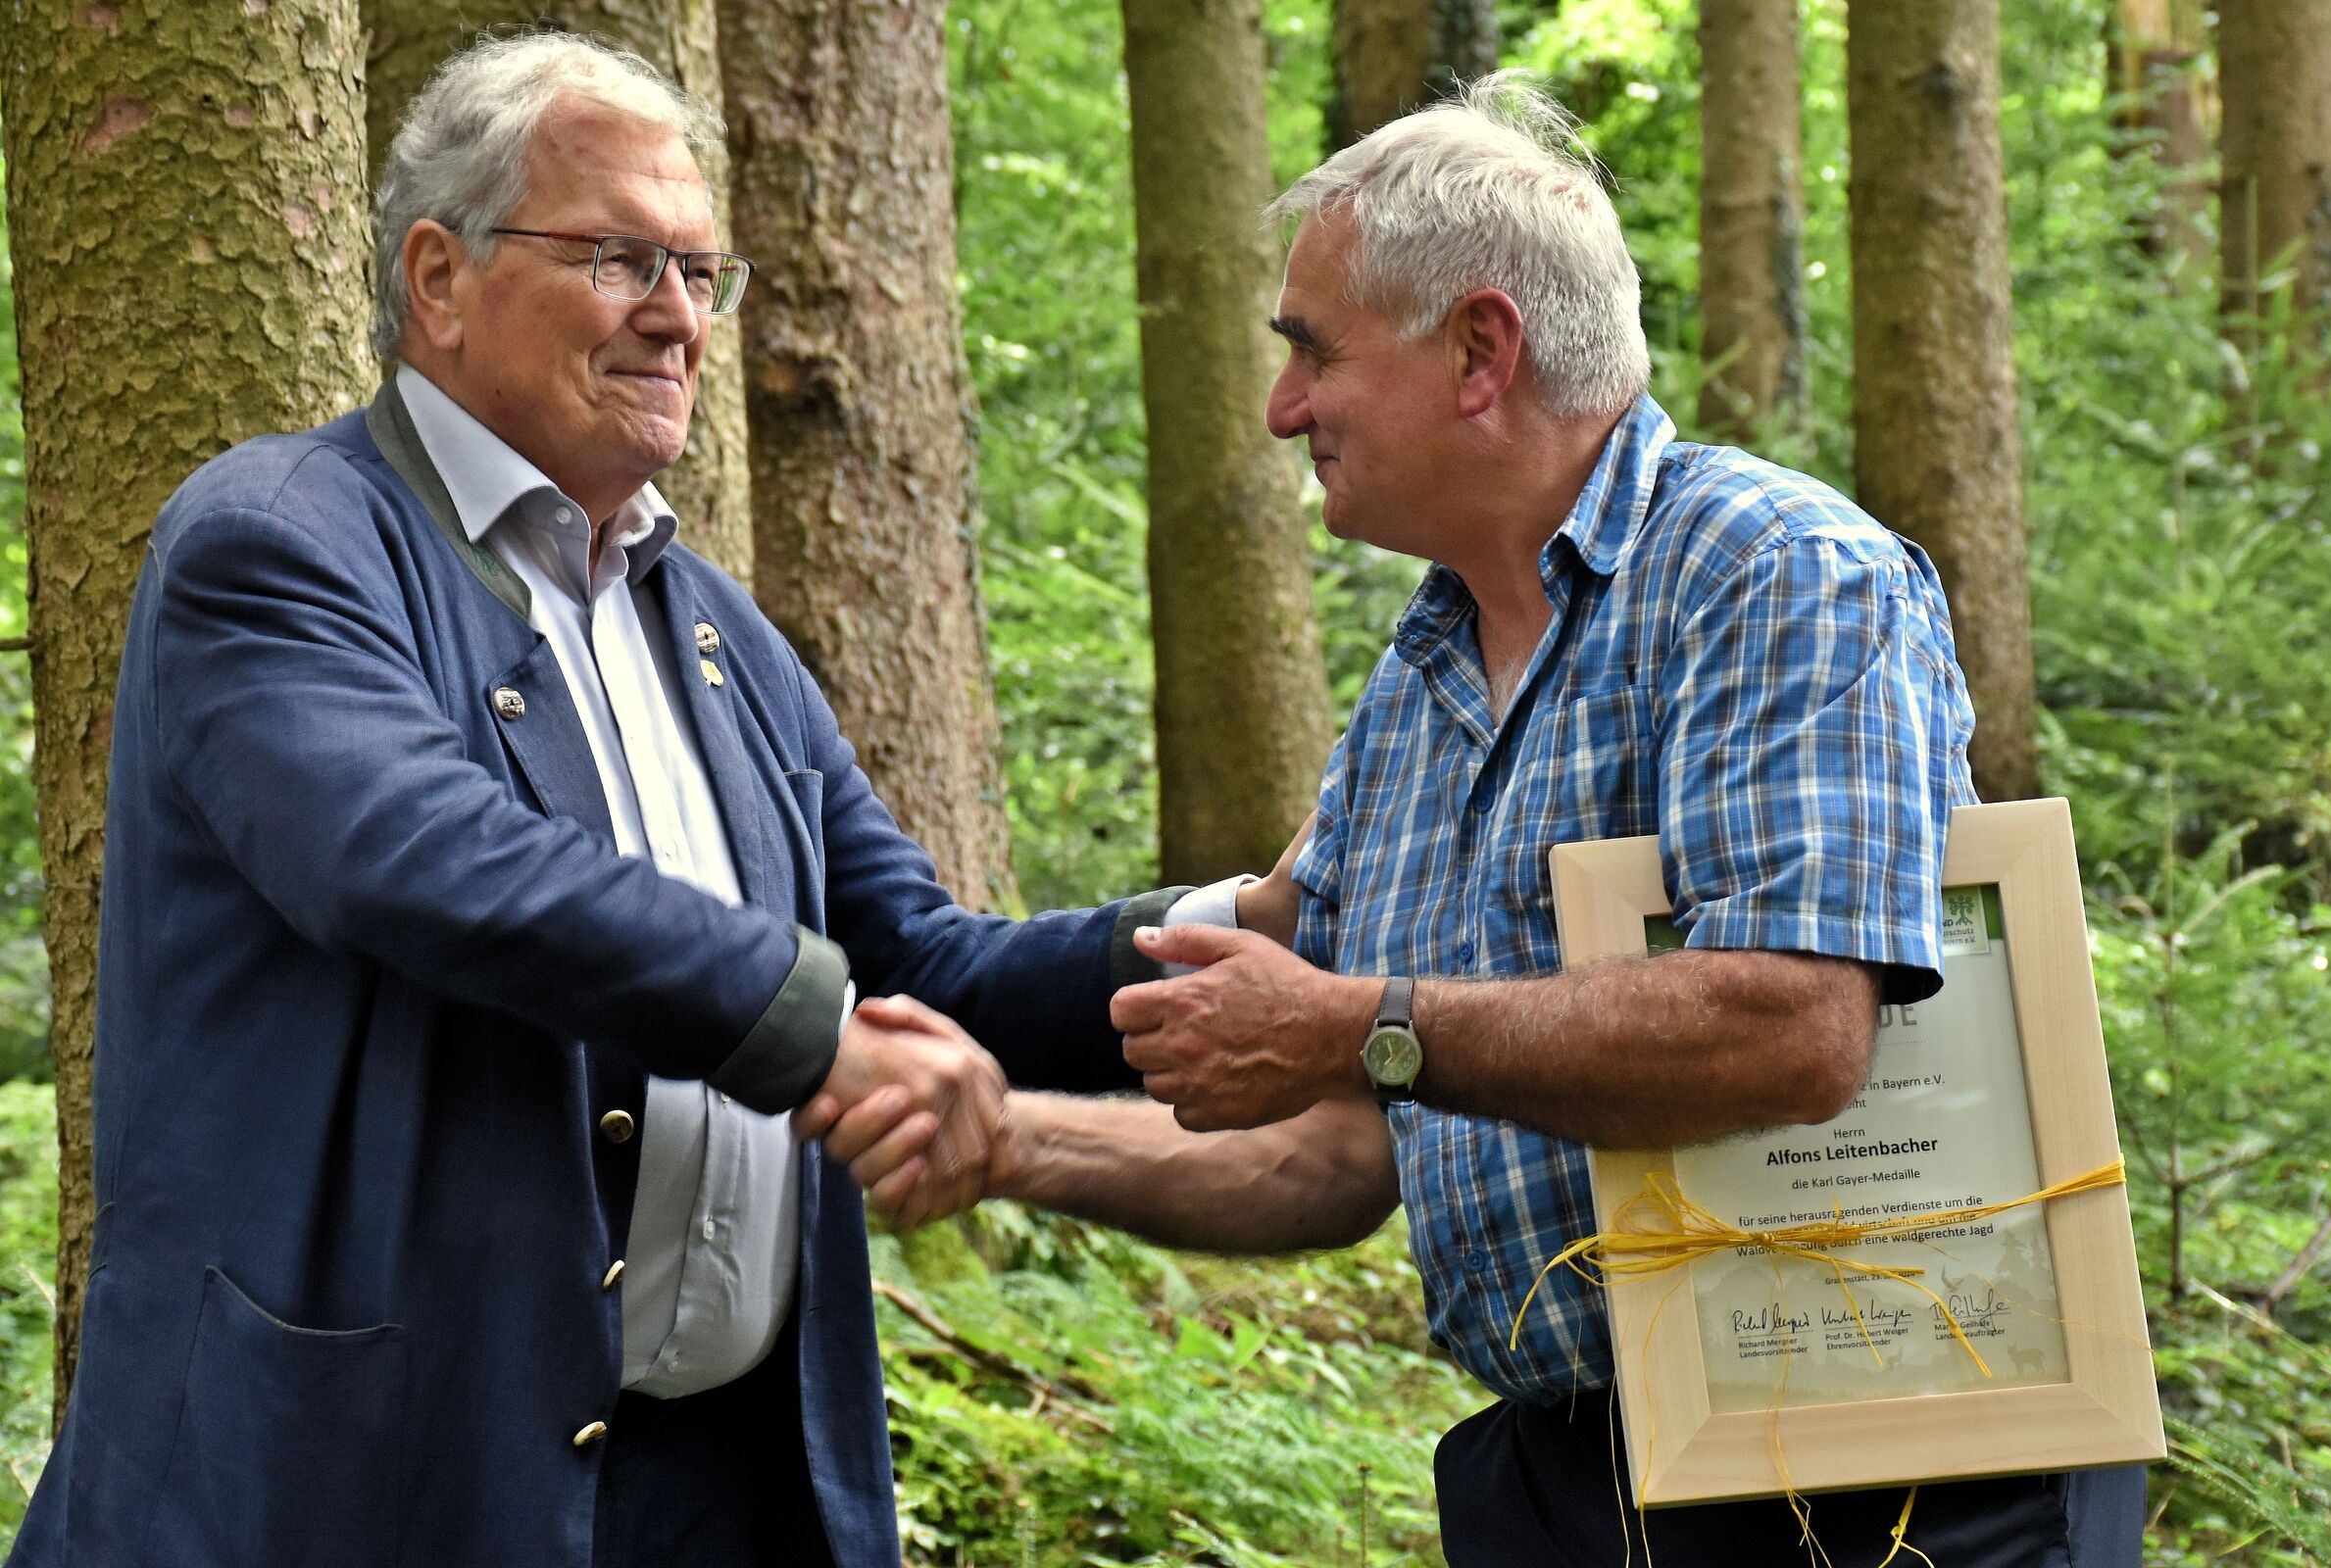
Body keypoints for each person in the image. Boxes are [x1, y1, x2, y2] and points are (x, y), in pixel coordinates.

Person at [809, 75, 2146, 1566]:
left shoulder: (1770, 573)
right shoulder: (1415, 692)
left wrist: (1362, 1020)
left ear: (1480, 351)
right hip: (1582, 1484)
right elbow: (1343, 1154)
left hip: (1896, 1484)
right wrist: (1012, 1144)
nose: (1278, 408)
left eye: (1311, 353)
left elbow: (1794, 1029)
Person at [8, 32, 1286, 1568]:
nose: (681, 319)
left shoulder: (715, 631)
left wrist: (1234, 926)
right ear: (437, 277)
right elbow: (421, 857)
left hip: (723, 1494)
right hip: (363, 1486)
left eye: (701, 272)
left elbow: (924, 964)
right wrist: (801, 1023)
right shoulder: (278, 544)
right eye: (622, 260)